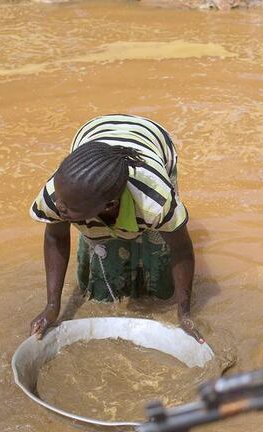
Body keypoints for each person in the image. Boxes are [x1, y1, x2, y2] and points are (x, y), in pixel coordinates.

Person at [29, 114, 203, 342]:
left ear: (110, 205)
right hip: (91, 137)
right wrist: (52, 306)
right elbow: (55, 238)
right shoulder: (58, 194)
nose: (59, 207)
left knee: (157, 248)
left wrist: (184, 313)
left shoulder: (155, 202)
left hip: (154, 140)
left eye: (69, 208)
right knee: (98, 243)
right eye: (60, 201)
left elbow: (180, 248)